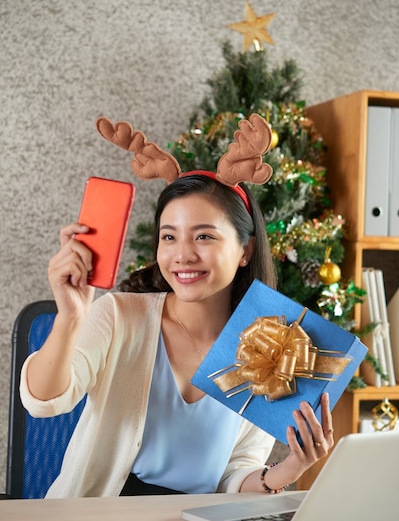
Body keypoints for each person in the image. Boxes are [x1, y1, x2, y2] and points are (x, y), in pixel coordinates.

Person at [20, 115, 334, 498]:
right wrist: (71, 317)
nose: (182, 255)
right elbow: (43, 402)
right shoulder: (119, 315)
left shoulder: (269, 345)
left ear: (245, 250)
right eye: (169, 237)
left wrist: (290, 468)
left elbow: (236, 478)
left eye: (204, 235)